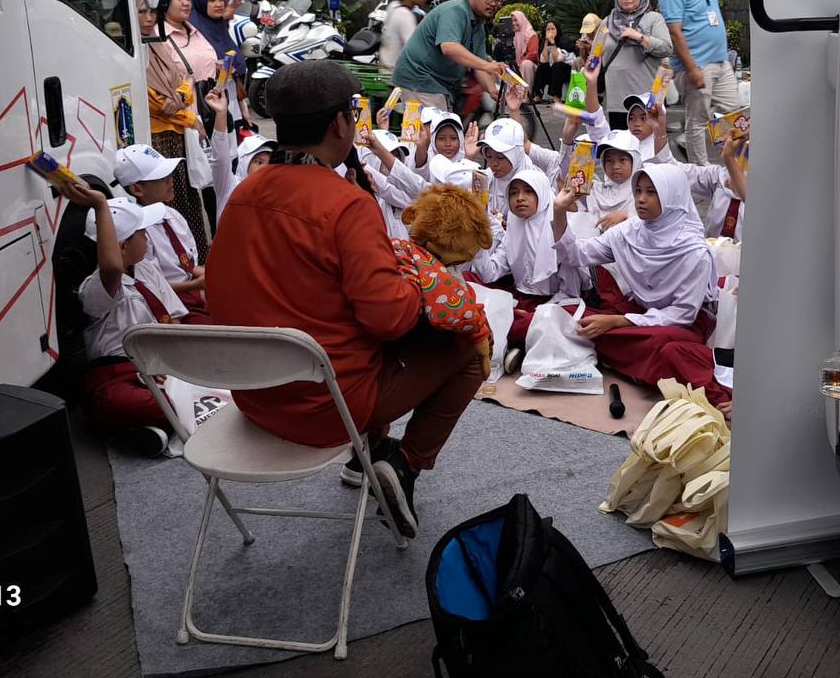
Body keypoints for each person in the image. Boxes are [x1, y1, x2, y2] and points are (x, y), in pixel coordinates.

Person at [205, 60, 486, 537]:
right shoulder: (345, 203)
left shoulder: (244, 192)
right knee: (471, 344)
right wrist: (416, 278)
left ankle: (368, 458)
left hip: (254, 395)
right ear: (339, 123)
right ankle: (405, 464)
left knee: (347, 322)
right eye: (353, 114)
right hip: (327, 406)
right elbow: (391, 319)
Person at [550, 165, 731, 409]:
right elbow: (576, 255)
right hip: (638, 313)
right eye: (637, 191)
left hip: (677, 325)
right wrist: (559, 211)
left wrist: (618, 322)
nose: (641, 199)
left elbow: (683, 315)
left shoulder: (694, 251)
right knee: (570, 317)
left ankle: (614, 356)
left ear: (672, 196)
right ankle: (636, 364)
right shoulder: (628, 232)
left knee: (667, 348)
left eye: (651, 192)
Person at [61, 185, 186, 456]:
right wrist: (100, 205)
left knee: (210, 382)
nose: (148, 240)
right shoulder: (96, 287)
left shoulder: (147, 270)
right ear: (122, 245)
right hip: (116, 377)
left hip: (159, 367)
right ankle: (161, 422)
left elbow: (172, 321)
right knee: (169, 403)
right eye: (141, 234)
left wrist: (172, 364)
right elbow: (112, 267)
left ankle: (153, 430)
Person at [469, 166, 586, 343]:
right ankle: (515, 340)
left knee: (528, 323)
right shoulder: (513, 229)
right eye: (514, 193)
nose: (520, 198)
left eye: (529, 192)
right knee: (468, 283)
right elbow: (489, 273)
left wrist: (537, 311)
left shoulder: (560, 230)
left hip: (554, 304)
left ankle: (513, 341)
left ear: (542, 194)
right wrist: (478, 230)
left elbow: (569, 293)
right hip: (520, 301)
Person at [657, 0, 743, 165]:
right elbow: (675, 32)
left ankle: (733, 162)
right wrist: (692, 69)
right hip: (697, 65)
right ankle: (700, 171)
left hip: (720, 60)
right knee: (698, 120)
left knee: (734, 111)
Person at [140, 0, 210, 259]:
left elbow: (183, 84)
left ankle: (198, 255)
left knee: (187, 196)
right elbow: (154, 102)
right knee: (166, 199)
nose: (148, 18)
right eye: (142, 12)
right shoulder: (136, 50)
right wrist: (187, 113)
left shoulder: (159, 43)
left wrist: (180, 103)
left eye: (151, 11)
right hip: (158, 136)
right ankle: (175, 260)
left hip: (178, 133)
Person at [114, 143, 209, 317]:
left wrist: (207, 274)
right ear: (137, 189)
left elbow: (185, 266)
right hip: (169, 307)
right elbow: (150, 286)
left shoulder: (172, 215)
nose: (170, 180)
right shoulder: (137, 233)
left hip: (194, 295)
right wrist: (196, 284)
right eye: (160, 177)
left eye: (169, 173)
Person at [391, 0, 509, 112]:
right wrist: (488, 65)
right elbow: (449, 47)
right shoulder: (454, 11)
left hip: (439, 84)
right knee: (437, 131)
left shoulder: (478, 25)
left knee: (444, 128)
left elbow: (479, 65)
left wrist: (491, 89)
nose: (494, 3)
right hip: (420, 79)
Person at [592, 0, 674, 129]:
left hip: (646, 101)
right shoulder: (607, 22)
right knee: (621, 150)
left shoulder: (653, 19)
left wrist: (640, 37)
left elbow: (667, 48)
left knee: (647, 149)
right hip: (616, 101)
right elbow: (594, 56)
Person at [204, 87, 275, 224]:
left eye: (269, 163)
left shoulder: (275, 194)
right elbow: (220, 158)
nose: (265, 168)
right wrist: (221, 114)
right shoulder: (230, 186)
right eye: (259, 162)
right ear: (244, 163)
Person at [380, 0, 428, 76]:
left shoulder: (393, 6)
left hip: (386, 71)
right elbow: (415, 52)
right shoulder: (405, 15)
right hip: (398, 79)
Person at [533, 21, 574, 102]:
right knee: (542, 67)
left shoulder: (564, 41)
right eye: (548, 29)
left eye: (552, 29)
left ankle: (557, 96)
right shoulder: (545, 42)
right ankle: (538, 94)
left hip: (566, 70)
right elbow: (543, 60)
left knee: (557, 66)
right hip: (553, 71)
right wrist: (546, 42)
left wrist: (552, 43)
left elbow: (558, 59)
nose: (550, 31)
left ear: (557, 30)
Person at [509, 10, 541, 88]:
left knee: (526, 64)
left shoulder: (530, 34)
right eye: (512, 21)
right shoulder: (514, 35)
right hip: (519, 66)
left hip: (532, 67)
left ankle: (526, 95)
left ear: (521, 20)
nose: (514, 23)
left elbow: (533, 54)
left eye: (516, 20)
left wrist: (520, 64)